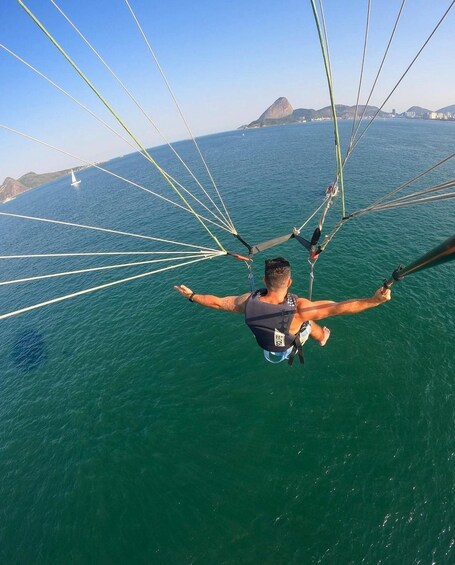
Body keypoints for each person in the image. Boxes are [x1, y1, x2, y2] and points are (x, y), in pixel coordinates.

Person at [174, 257, 391, 364]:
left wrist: (192, 296)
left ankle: (316, 336)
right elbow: (339, 308)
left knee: (301, 323)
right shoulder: (300, 309)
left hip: (267, 344)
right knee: (309, 324)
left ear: (264, 280)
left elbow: (217, 303)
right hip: (287, 347)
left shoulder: (247, 301)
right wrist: (374, 300)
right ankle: (323, 337)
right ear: (289, 282)